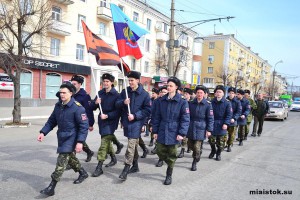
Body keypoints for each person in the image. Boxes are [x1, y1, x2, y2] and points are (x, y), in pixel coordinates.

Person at [37, 82, 89, 196]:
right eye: (60, 92)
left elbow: (84, 126)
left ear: (71, 93)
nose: (62, 95)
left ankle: (52, 186)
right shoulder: (58, 106)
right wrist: (43, 132)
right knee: (70, 158)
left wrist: (80, 142)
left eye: (64, 92)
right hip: (61, 136)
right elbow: (52, 121)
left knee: (61, 160)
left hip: (72, 138)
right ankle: (83, 173)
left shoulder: (77, 108)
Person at [152, 77, 190, 185]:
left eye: (171, 86)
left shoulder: (182, 102)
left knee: (172, 153)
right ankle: (166, 161)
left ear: (176, 87)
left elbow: (185, 119)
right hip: (162, 129)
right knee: (159, 150)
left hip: (175, 130)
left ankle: (169, 174)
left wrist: (182, 133)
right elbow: (157, 117)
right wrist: (155, 131)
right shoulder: (161, 100)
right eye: (168, 85)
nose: (168, 87)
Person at [116, 71, 151, 181]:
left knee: (131, 145)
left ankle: (126, 168)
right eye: (129, 80)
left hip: (136, 122)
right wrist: (123, 102)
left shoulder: (145, 94)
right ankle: (135, 165)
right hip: (127, 122)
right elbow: (117, 104)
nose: (130, 82)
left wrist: (135, 116)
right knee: (134, 145)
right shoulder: (125, 92)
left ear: (137, 80)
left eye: (132, 80)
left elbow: (148, 110)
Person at [91, 73, 121, 177]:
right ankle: (113, 157)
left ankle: (99, 167)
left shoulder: (117, 95)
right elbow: (92, 107)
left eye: (107, 81)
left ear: (112, 83)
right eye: (104, 81)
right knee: (107, 140)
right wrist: (95, 102)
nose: (105, 83)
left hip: (111, 121)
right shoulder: (100, 93)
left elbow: (118, 112)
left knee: (103, 143)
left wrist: (107, 116)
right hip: (102, 121)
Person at [187, 85, 214, 171]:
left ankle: (194, 162)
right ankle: (197, 153)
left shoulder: (207, 105)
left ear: (204, 94)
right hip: (191, 126)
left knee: (197, 147)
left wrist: (209, 130)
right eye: (198, 92)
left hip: (201, 127)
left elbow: (210, 118)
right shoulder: (191, 103)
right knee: (190, 145)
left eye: (201, 93)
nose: (199, 94)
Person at [70, 75, 95, 162]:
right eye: (71, 83)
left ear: (80, 84)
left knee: (74, 141)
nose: (72, 85)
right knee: (76, 140)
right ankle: (89, 152)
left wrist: (90, 124)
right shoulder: (70, 94)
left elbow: (88, 111)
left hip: (80, 122)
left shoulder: (85, 96)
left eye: (74, 84)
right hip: (71, 122)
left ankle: (72, 162)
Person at [209, 85, 232, 161]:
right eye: (217, 92)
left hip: (222, 124)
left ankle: (218, 153)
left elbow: (229, 115)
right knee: (211, 140)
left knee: (221, 142)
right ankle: (213, 150)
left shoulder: (227, 103)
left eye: (220, 92)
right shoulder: (211, 102)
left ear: (223, 94)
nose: (218, 93)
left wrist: (226, 123)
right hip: (212, 123)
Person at [151, 85, 168, 167]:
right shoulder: (157, 101)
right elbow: (153, 114)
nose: (163, 94)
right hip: (159, 125)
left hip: (168, 126)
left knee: (167, 145)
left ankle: (166, 156)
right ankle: (160, 159)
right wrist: (152, 125)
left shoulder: (170, 101)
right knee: (159, 144)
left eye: (165, 92)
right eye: (161, 92)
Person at [178, 87, 194, 158]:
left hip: (190, 122)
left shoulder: (192, 103)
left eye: (187, 94)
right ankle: (182, 151)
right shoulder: (181, 102)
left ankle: (189, 147)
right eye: (184, 93)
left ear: (190, 95)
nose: (185, 95)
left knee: (189, 138)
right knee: (184, 137)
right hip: (182, 122)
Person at [226, 87, 241, 152]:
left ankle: (229, 145)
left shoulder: (237, 102)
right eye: (230, 93)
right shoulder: (225, 100)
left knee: (231, 135)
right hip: (225, 120)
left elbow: (238, 112)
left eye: (232, 93)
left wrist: (234, 118)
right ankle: (225, 144)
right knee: (224, 134)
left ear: (235, 94)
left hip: (232, 121)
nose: (231, 94)